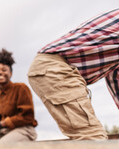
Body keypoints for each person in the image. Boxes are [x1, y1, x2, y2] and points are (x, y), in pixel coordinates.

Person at [28, 8, 119, 140]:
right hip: (55, 68)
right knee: (92, 138)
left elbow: (114, 78)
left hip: (53, 67)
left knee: (93, 138)